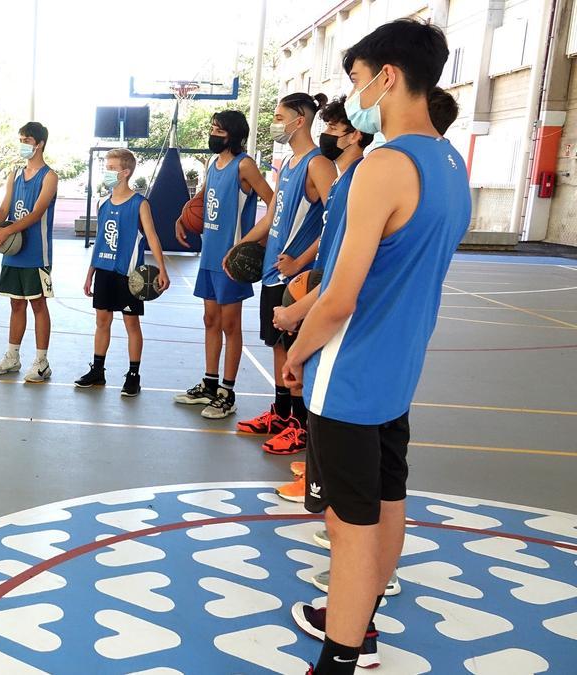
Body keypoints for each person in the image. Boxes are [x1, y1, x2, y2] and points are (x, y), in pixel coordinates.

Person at [283, 20, 469, 674]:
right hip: (397, 370)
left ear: (387, 75)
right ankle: (353, 622)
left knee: (348, 524)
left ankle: (343, 653)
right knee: (388, 497)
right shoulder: (448, 160)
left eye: (357, 80)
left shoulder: (384, 167)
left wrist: (298, 350)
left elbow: (340, 296)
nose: (353, 96)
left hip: (349, 370)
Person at [273, 86, 456, 502]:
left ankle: (321, 482)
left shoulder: (373, 174)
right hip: (391, 346)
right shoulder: (442, 168)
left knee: (352, 496)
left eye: (360, 80)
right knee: (386, 483)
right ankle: (322, 472)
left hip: (349, 342)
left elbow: (346, 280)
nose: (330, 133)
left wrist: (300, 317)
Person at [229, 92, 335, 455]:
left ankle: (301, 425)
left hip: (298, 277)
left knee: (297, 351)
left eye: (279, 116)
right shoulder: (288, 163)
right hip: (273, 273)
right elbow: (272, 216)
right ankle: (282, 413)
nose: (275, 122)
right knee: (277, 346)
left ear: (299, 120)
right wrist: (242, 244)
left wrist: (300, 259)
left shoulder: (318, 165)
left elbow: (336, 224)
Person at [173, 110, 274, 419]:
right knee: (210, 320)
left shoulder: (245, 165)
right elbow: (206, 195)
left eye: (218, 128)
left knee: (231, 325)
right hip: (210, 254)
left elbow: (273, 202)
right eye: (212, 127)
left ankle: (227, 393)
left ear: (232, 133)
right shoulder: (213, 165)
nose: (213, 133)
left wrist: (252, 242)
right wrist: (183, 215)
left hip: (233, 259)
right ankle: (209, 383)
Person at [75, 148, 170, 396]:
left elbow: (152, 237)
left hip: (130, 276)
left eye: (111, 168)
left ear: (125, 172)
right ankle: (97, 371)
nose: (107, 172)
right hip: (104, 271)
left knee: (131, 324)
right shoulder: (102, 203)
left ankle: (133, 375)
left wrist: (162, 269)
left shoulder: (140, 204)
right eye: (106, 167)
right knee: (102, 322)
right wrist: (90, 273)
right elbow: (99, 241)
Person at [0, 122, 59, 382]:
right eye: (20, 139)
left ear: (39, 143)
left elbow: (38, 213)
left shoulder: (49, 176)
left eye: (26, 140)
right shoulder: (15, 174)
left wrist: (7, 231)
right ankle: (12, 356)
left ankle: (41, 362)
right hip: (13, 251)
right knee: (15, 304)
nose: (22, 144)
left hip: (36, 253)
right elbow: (5, 206)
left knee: (38, 304)